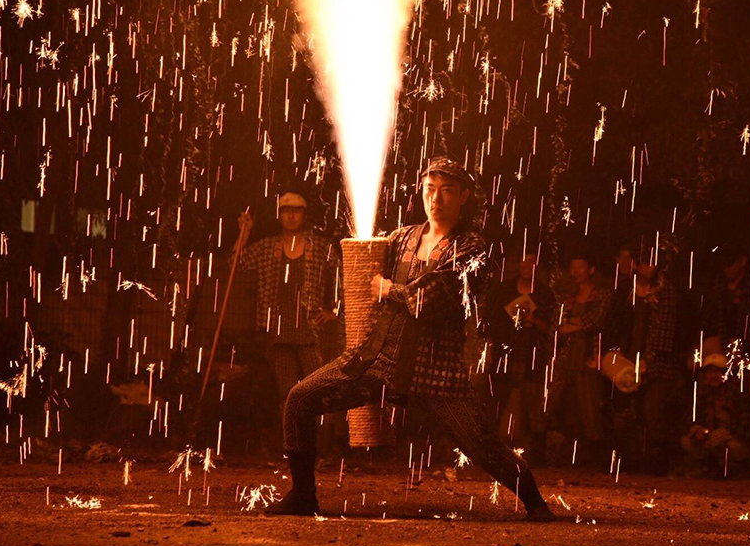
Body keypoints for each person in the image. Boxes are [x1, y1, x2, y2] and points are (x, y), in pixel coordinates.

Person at [265, 157, 555, 521]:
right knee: (299, 400)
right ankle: (303, 496)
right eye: (430, 189)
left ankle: (536, 504)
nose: (436, 199)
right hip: (379, 360)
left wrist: (388, 288)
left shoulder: (471, 247)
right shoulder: (402, 238)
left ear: (464, 196)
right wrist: (359, 256)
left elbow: (428, 300)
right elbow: (364, 268)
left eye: (447, 191)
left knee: (483, 446)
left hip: (435, 372)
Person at [235, 190, 343, 409]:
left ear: (305, 216)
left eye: (296, 211)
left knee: (318, 390)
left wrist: (335, 311)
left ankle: (317, 430)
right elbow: (237, 265)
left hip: (311, 333)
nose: (291, 216)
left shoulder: (321, 247)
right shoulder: (267, 247)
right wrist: (244, 235)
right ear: (279, 216)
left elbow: (346, 277)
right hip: (279, 334)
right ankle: (290, 430)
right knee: (287, 394)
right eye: (286, 211)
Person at [604, 240, 685, 474]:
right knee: (627, 413)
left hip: (658, 362)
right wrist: (613, 352)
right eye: (645, 263)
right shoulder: (626, 289)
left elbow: (666, 329)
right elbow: (615, 322)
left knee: (652, 411)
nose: (649, 268)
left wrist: (650, 358)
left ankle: (666, 460)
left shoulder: (665, 291)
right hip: (627, 359)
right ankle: (632, 461)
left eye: (653, 264)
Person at [486, 249, 553, 463]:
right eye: (523, 262)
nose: (526, 266)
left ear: (537, 266)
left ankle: (537, 455)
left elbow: (551, 328)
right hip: (505, 351)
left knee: (534, 404)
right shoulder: (503, 291)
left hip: (532, 353)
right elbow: (490, 321)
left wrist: (534, 321)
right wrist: (490, 349)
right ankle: (490, 450)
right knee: (497, 400)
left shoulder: (544, 294)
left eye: (531, 262)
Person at [546, 252, 612, 466]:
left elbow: (598, 320)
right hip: (566, 356)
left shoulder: (601, 294)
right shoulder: (566, 297)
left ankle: (598, 457)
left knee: (590, 404)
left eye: (580, 266)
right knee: (558, 402)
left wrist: (574, 324)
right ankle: (563, 454)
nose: (576, 272)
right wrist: (572, 326)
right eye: (573, 267)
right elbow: (557, 325)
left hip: (589, 356)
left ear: (591, 269)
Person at [681, 353, 750, 477]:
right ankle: (706, 466)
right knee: (687, 441)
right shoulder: (702, 393)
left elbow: (746, 424)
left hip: (732, 439)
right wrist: (697, 430)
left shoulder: (739, 394)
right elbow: (690, 417)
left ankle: (733, 469)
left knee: (733, 447)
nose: (713, 376)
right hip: (708, 438)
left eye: (717, 371)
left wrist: (726, 433)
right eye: (709, 372)